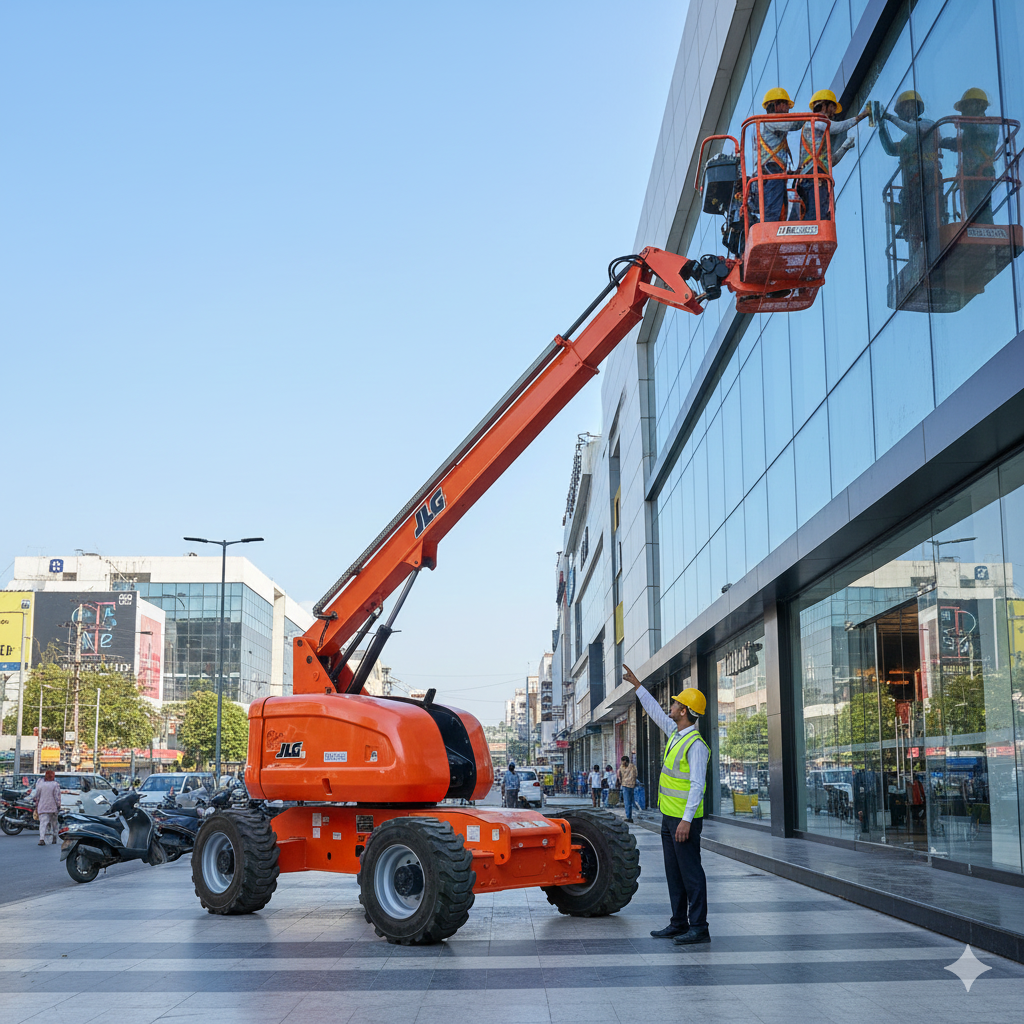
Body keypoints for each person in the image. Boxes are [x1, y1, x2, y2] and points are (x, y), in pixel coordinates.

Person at [624, 664, 711, 945]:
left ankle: (699, 927)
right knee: (674, 874)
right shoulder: (676, 734)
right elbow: (655, 713)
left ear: (684, 710)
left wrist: (686, 820)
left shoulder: (695, 745)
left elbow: (697, 785)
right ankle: (679, 922)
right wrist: (638, 686)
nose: (670, 706)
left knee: (691, 874)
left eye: (675, 703)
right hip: (669, 817)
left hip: (684, 821)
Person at [878, 90, 956, 265]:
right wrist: (881, 126)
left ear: (916, 108)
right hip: (911, 185)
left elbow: (915, 130)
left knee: (932, 215)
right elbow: (891, 149)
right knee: (914, 223)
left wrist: (889, 118)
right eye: (903, 108)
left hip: (928, 179)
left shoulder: (927, 124)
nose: (906, 111)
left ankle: (935, 248)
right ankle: (917, 258)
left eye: (908, 106)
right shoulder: (907, 140)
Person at [797, 89, 870, 220]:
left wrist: (845, 146)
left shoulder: (818, 133)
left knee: (823, 214)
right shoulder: (816, 122)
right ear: (823, 105)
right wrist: (862, 115)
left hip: (814, 178)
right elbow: (839, 127)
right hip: (813, 178)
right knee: (818, 217)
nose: (833, 113)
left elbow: (831, 161)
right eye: (832, 107)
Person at [755, 87, 803, 222]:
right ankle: (769, 232)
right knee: (773, 209)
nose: (788, 109)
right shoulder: (770, 120)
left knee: (781, 208)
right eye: (786, 105)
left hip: (776, 171)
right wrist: (809, 118)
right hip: (772, 170)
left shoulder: (774, 123)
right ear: (777, 105)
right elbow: (791, 125)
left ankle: (774, 232)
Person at [954, 88, 999, 225]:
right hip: (969, 177)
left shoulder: (990, 125)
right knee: (972, 213)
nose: (964, 111)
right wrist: (939, 141)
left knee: (982, 211)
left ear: (980, 105)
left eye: (967, 106)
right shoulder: (970, 130)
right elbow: (959, 142)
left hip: (982, 173)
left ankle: (988, 235)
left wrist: (963, 123)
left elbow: (978, 129)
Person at [33, 769, 62, 846]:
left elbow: (37, 796)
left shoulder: (40, 784)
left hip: (42, 807)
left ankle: (41, 839)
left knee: (43, 823)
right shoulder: (55, 784)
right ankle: (54, 837)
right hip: (53, 807)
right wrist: (58, 805)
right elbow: (57, 797)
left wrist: (37, 805)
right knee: (54, 823)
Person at [618, 755, 637, 823]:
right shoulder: (633, 766)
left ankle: (629, 817)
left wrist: (620, 781)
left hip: (625, 785)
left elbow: (620, 776)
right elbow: (636, 774)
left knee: (627, 802)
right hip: (632, 785)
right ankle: (629, 816)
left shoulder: (622, 767)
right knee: (630, 802)